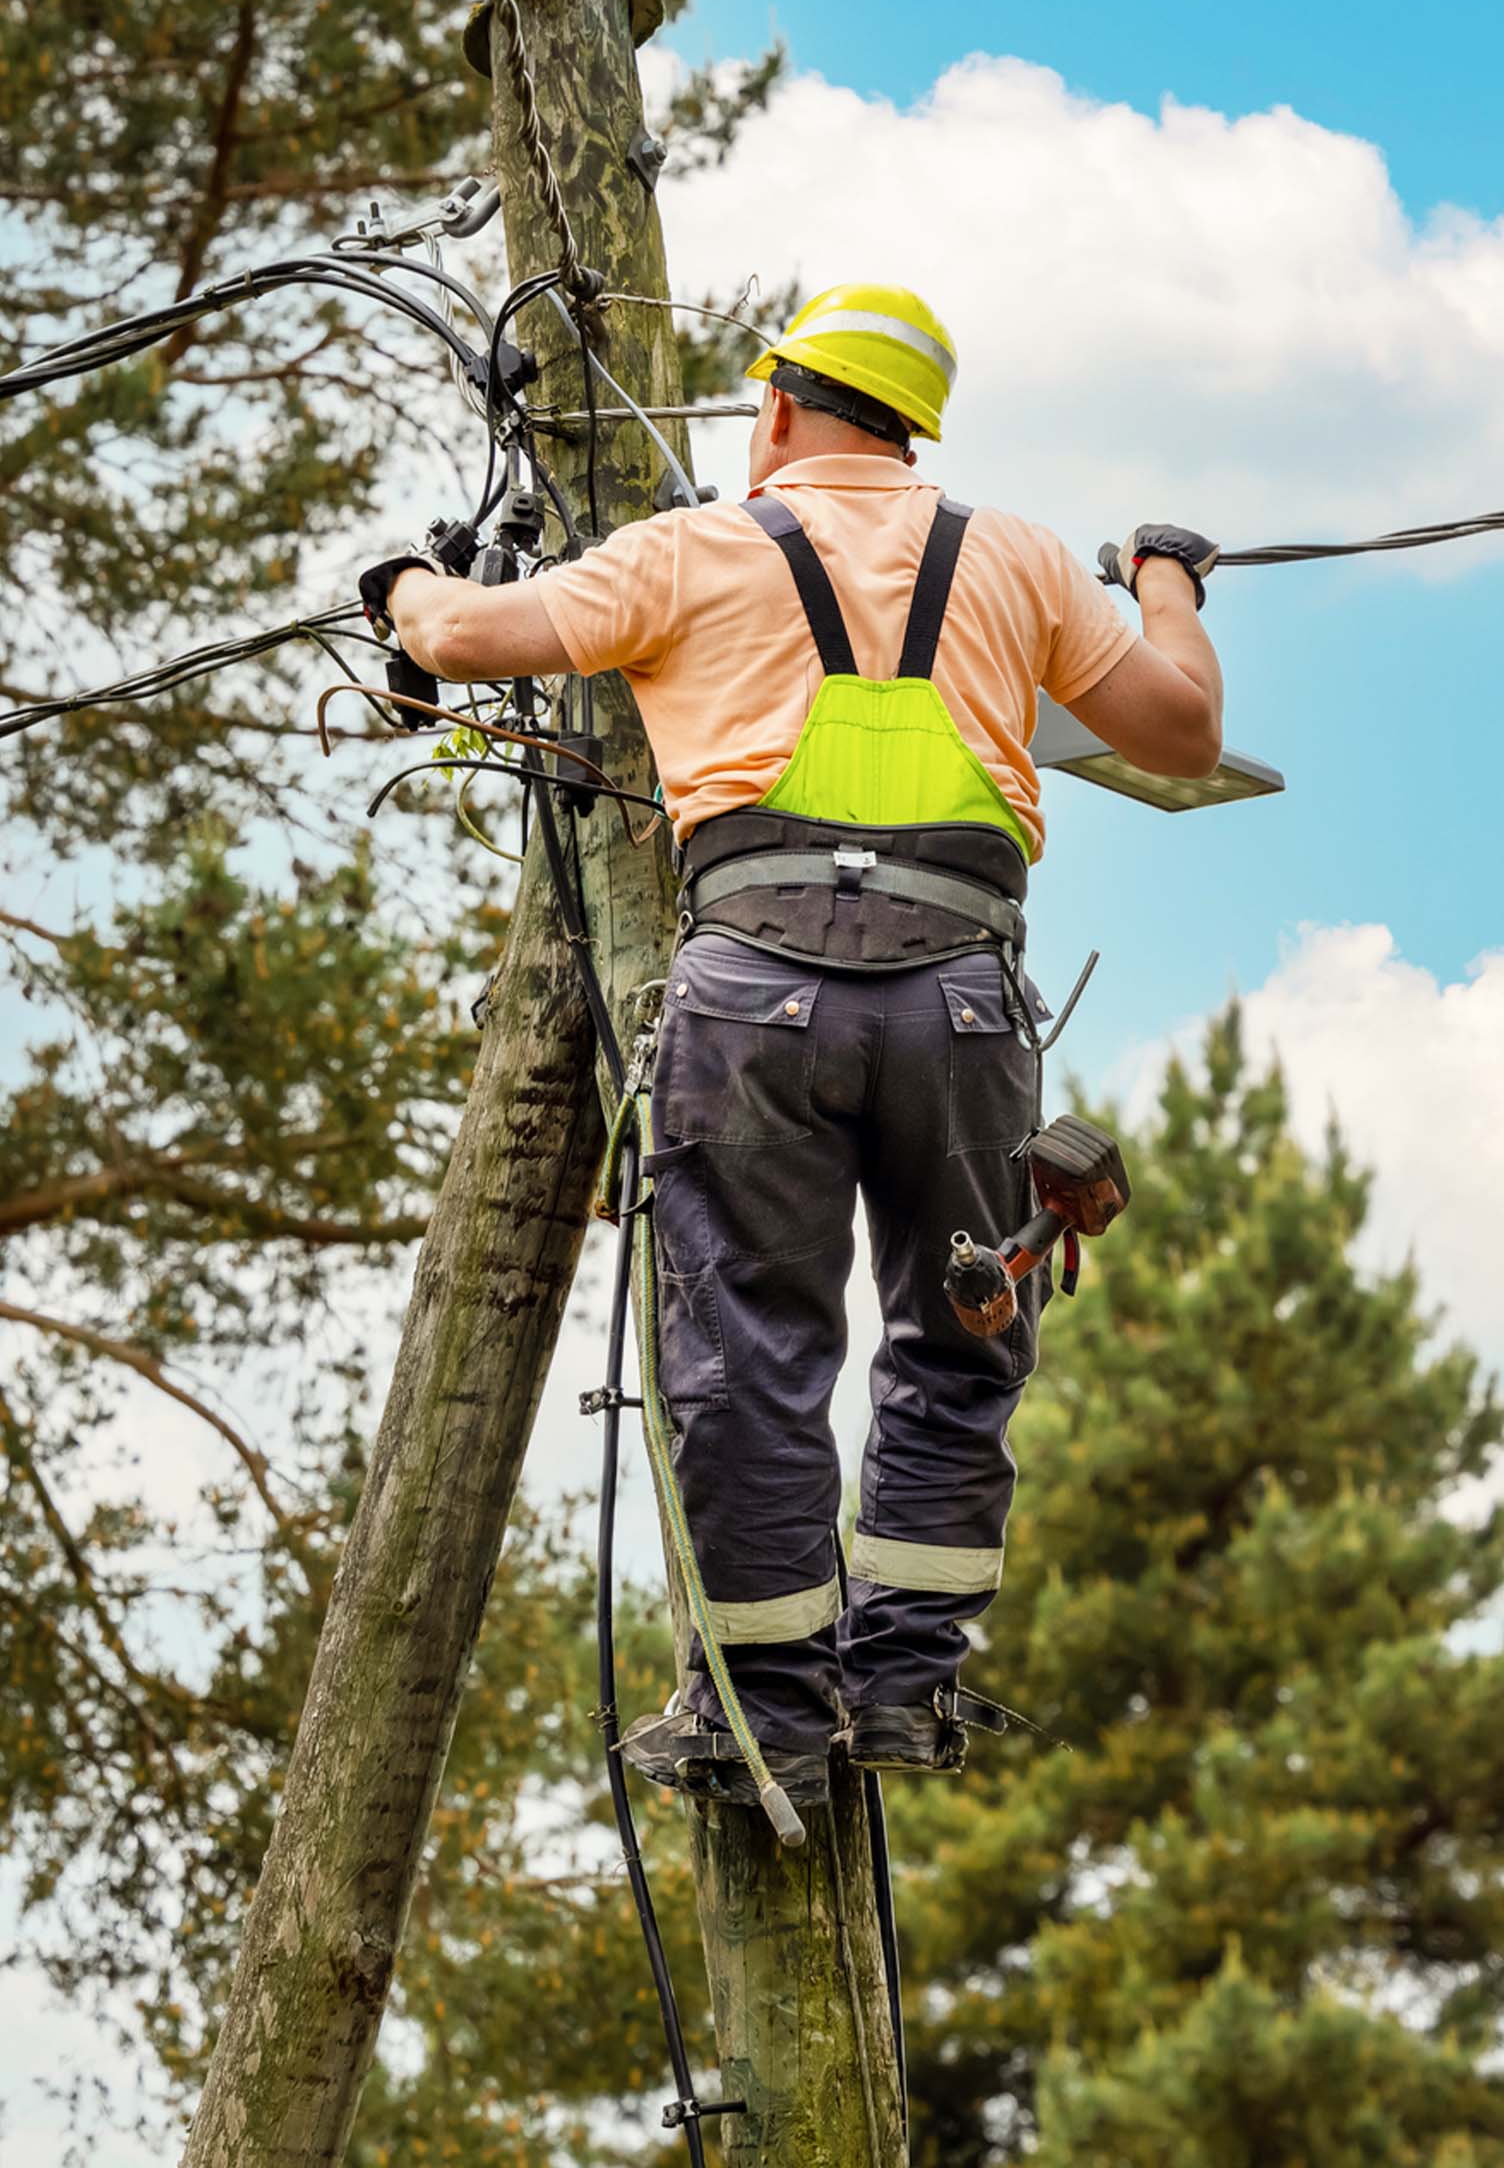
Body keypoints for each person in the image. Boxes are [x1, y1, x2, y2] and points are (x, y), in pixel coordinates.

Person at [360, 283, 1223, 1812]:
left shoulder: (694, 551)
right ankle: (902, 1690)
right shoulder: (1016, 557)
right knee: (962, 1333)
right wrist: (1163, 582)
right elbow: (1179, 733)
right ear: (913, 429)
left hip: (752, 989)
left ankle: (764, 1715)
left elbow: (475, 638)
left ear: (773, 410)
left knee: (747, 1349)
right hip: (961, 994)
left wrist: (408, 591)